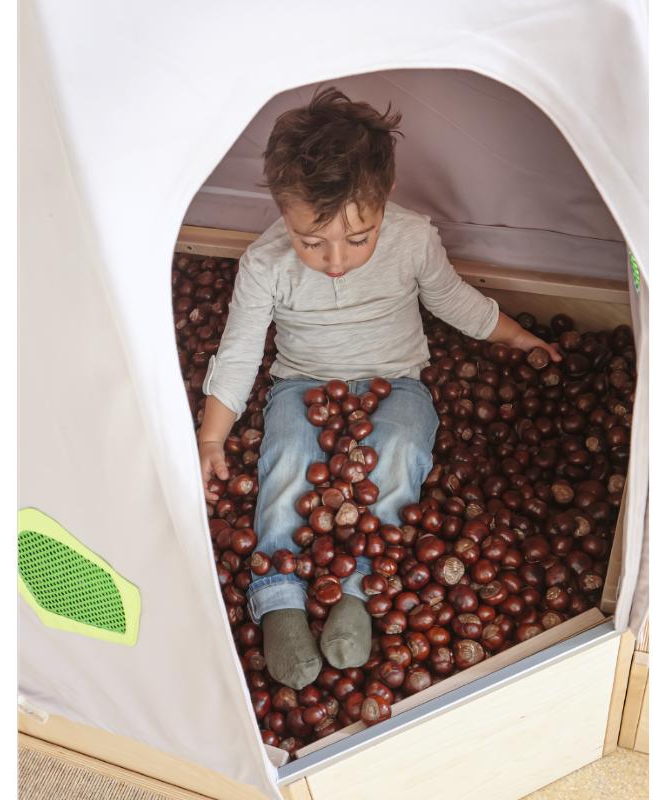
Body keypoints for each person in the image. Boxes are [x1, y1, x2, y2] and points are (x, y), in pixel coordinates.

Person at [198, 88, 560, 690]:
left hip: (397, 381)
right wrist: (213, 436)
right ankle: (279, 595)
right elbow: (238, 353)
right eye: (311, 242)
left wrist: (517, 337)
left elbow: (452, 299)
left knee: (400, 449)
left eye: (358, 237)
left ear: (385, 196)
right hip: (302, 383)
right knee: (287, 459)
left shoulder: (413, 239)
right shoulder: (263, 264)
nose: (335, 260)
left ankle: (359, 589)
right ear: (282, 212)